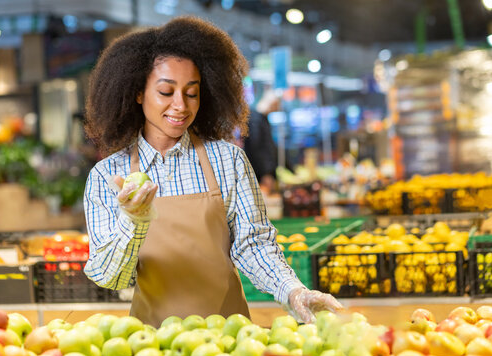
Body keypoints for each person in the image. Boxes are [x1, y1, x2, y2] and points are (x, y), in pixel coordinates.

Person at [83, 16, 342, 327]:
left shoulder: (227, 160)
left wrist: (292, 290)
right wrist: (133, 222)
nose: (180, 105)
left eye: (191, 93)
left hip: (229, 337)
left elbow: (253, 244)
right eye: (166, 92)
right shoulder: (107, 175)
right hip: (152, 342)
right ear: (138, 92)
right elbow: (110, 277)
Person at [243, 90, 280, 193]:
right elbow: (256, 148)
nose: (276, 110)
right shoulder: (255, 120)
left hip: (262, 173)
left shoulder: (261, 119)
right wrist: (266, 173)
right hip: (259, 174)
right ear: (272, 104)